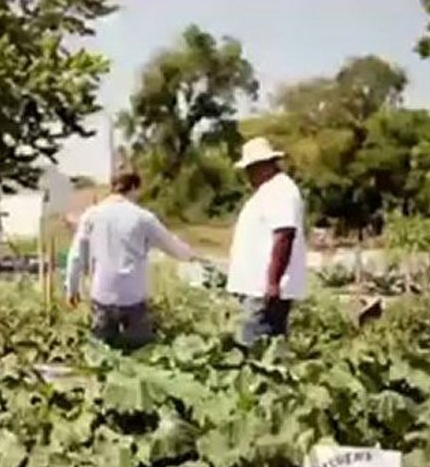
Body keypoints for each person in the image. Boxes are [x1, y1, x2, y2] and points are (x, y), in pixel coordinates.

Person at [65, 170, 197, 349]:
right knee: (139, 353)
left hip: (103, 293)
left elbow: (77, 255)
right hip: (133, 295)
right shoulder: (143, 218)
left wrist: (72, 288)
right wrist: (189, 255)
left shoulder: (92, 215)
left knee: (101, 351)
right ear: (134, 188)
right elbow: (169, 244)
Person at [226, 137, 307, 345]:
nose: (248, 175)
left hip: (263, 291)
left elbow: (284, 235)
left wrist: (272, 282)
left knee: (255, 350)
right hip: (257, 289)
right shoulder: (269, 190)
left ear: (263, 166)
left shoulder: (281, 190)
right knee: (266, 351)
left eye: (250, 169)